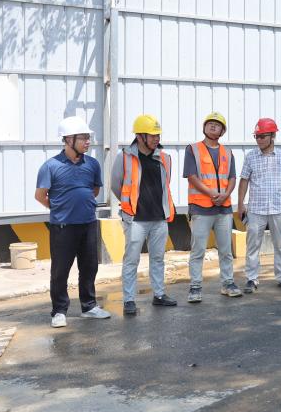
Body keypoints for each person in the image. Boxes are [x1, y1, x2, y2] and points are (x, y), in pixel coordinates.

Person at [35, 116, 111, 328]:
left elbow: (94, 190)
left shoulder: (92, 164)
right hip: (63, 227)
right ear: (68, 140)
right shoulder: (50, 166)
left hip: (88, 224)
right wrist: (59, 208)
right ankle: (59, 311)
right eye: (83, 138)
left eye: (88, 137)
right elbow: (40, 195)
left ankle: (89, 306)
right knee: (60, 271)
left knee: (89, 267)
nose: (88, 141)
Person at [111, 114, 177, 316]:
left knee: (158, 259)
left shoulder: (165, 158)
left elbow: (166, 185)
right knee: (131, 260)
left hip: (159, 218)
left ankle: (159, 295)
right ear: (140, 137)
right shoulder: (124, 157)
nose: (157, 139)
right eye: (152, 135)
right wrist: (129, 204)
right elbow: (116, 185)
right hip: (135, 219)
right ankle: (129, 300)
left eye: (158, 135)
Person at [185, 112, 242, 302]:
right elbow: (192, 177)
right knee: (198, 251)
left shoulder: (228, 152)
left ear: (222, 131)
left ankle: (228, 283)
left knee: (226, 250)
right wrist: (212, 194)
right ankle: (195, 287)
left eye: (217, 125)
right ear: (204, 127)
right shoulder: (193, 149)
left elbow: (232, 178)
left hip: (223, 208)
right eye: (209, 123)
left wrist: (225, 194)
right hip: (201, 208)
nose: (212, 126)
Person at [237, 118, 281, 293]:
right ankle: (251, 278)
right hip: (256, 209)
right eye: (256, 136)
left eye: (262, 136)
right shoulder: (250, 156)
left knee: (280, 244)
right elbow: (244, 181)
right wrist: (240, 204)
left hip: (278, 207)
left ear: (272, 136)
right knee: (253, 246)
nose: (259, 140)